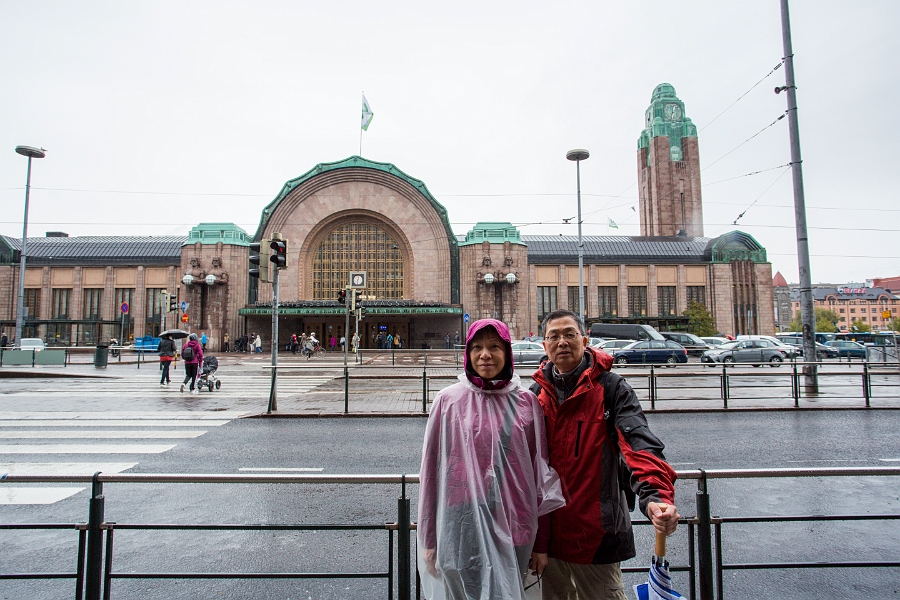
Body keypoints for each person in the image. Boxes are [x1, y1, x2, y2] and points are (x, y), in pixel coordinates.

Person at [530, 310, 679, 600]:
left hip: (596, 541)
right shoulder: (535, 394)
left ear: (585, 340)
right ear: (544, 345)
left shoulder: (611, 389)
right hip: (548, 544)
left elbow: (638, 445)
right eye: (554, 336)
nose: (562, 342)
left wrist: (656, 497)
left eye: (570, 334)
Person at [418, 318, 565, 600]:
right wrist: (428, 537)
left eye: (495, 346)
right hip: (460, 524)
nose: (485, 354)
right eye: (478, 347)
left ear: (507, 353)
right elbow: (432, 473)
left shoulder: (525, 402)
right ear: (468, 353)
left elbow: (540, 476)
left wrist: (541, 543)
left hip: (515, 525)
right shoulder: (447, 401)